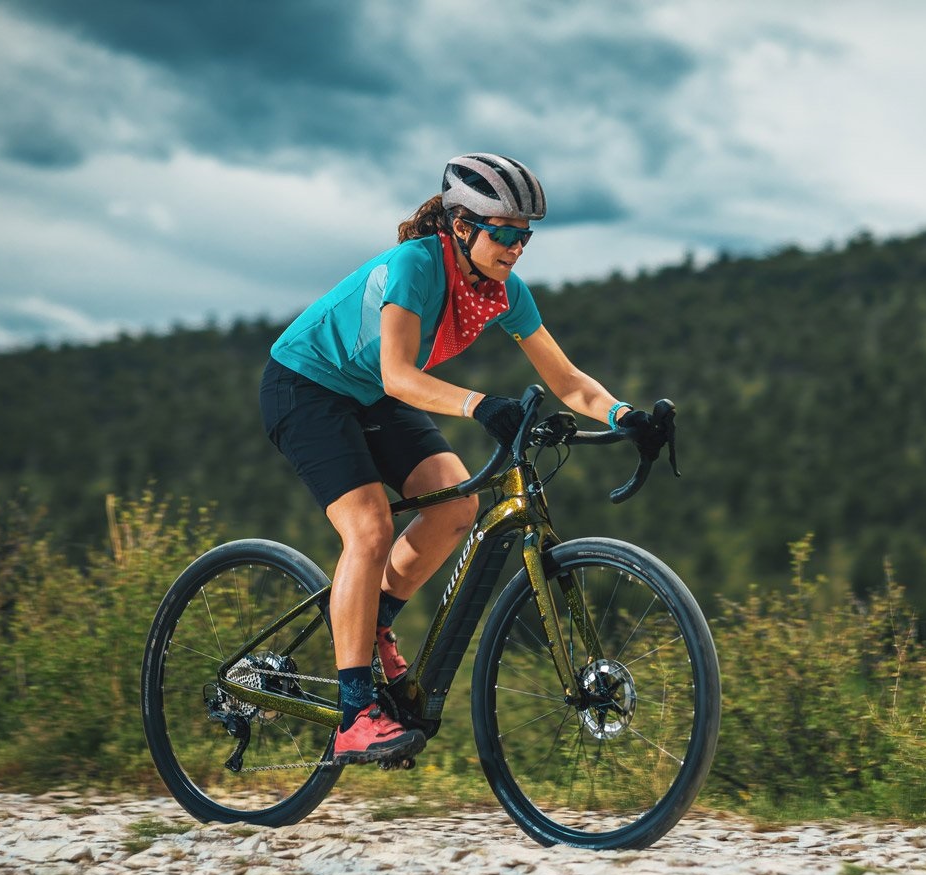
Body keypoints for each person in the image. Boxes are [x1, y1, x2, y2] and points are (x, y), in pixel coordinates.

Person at [260, 153, 657, 765]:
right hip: (306, 385)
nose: (517, 247)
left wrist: (626, 418)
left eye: (525, 235)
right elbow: (397, 374)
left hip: (367, 391)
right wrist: (480, 405)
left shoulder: (505, 292)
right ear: (462, 226)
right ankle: (354, 715)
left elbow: (569, 381)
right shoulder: (416, 266)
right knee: (370, 528)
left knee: (456, 502)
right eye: (503, 232)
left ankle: (375, 621)